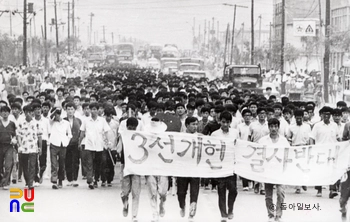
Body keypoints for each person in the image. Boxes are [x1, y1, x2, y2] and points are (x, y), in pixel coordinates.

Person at [259, 118, 289, 222]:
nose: (273, 129)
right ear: (268, 127)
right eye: (271, 126)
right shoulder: (263, 141)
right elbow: (259, 154)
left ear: (278, 127)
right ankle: (271, 215)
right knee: (268, 195)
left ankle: (279, 215)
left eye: (275, 126)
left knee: (281, 193)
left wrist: (286, 169)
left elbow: (287, 155)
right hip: (268, 171)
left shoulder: (283, 141)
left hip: (280, 171)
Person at [211, 111, 239, 222]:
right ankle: (223, 214)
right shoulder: (215, 134)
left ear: (230, 122)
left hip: (232, 164)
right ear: (219, 122)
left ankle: (230, 209)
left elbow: (239, 146)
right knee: (221, 190)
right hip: (220, 165)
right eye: (223, 122)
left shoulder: (235, 133)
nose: (225, 125)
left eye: (227, 122)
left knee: (233, 190)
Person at [79, 102, 111, 189]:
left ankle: (96, 180)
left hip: (99, 145)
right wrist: (80, 142)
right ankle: (90, 180)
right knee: (89, 163)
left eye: (95, 109)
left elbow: (106, 132)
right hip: (89, 145)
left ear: (97, 110)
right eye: (91, 109)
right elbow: (82, 132)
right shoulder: (86, 120)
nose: (93, 111)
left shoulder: (102, 120)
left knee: (98, 164)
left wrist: (108, 143)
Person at [310, 106, 340, 198]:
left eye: (328, 114)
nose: (326, 116)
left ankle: (332, 190)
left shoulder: (334, 125)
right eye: (325, 114)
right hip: (320, 152)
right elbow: (312, 138)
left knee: (332, 170)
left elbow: (338, 138)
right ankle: (319, 190)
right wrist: (312, 148)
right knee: (320, 170)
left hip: (332, 152)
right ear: (322, 115)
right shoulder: (317, 125)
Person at [117, 117, 141, 222]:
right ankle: (125, 203)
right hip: (125, 166)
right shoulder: (123, 135)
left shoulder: (140, 137)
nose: (132, 130)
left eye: (134, 128)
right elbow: (118, 150)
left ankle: (134, 215)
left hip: (136, 167)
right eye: (130, 128)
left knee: (136, 192)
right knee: (125, 192)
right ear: (126, 127)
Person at [177, 117, 201, 221]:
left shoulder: (200, 137)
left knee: (194, 191)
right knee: (181, 192)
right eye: (193, 124)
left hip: (195, 168)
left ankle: (192, 211)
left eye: (196, 124)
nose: (195, 126)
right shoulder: (179, 136)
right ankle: (182, 205)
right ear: (186, 125)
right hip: (182, 168)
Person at [17, 104, 42, 189]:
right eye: (27, 112)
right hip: (24, 148)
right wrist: (20, 146)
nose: (29, 114)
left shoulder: (36, 123)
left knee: (32, 165)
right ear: (24, 113)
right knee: (24, 166)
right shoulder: (21, 123)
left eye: (31, 112)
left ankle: (31, 182)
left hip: (33, 148)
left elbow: (39, 136)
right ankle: (27, 181)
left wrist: (40, 147)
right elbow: (19, 136)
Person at [286, 109, 311, 194]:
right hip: (295, 149)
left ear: (303, 117)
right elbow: (288, 138)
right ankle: (298, 187)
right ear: (295, 118)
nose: (299, 120)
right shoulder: (291, 127)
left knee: (304, 167)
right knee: (296, 167)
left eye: (300, 118)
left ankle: (303, 182)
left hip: (304, 148)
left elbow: (309, 138)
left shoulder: (307, 127)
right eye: (297, 118)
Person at [49, 107, 72, 189]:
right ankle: (54, 181)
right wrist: (55, 111)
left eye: (58, 114)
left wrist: (66, 142)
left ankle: (60, 180)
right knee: (54, 164)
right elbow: (50, 117)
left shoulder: (66, 123)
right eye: (56, 114)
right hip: (54, 144)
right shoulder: (52, 122)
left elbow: (69, 134)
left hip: (63, 145)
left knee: (62, 164)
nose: (57, 115)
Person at [64, 102, 82, 187]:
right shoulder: (63, 120)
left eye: (72, 109)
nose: (70, 111)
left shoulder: (78, 120)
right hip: (66, 144)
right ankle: (69, 179)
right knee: (67, 161)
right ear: (66, 110)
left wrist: (79, 142)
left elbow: (81, 132)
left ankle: (75, 179)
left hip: (75, 143)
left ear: (74, 110)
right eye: (68, 109)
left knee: (75, 161)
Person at [0, 106, 17, 189]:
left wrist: (14, 139)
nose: (5, 113)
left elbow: (14, 135)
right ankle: (1, 181)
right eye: (3, 111)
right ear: (0, 113)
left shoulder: (12, 124)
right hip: (0, 146)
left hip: (9, 147)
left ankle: (5, 182)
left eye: (6, 111)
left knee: (8, 165)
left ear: (9, 113)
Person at [238, 109, 253, 191]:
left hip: (252, 148)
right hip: (243, 147)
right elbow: (238, 137)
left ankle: (252, 182)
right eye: (245, 115)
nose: (247, 117)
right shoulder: (240, 126)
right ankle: (245, 184)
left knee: (252, 165)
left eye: (249, 115)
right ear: (243, 117)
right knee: (244, 166)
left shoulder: (253, 125)